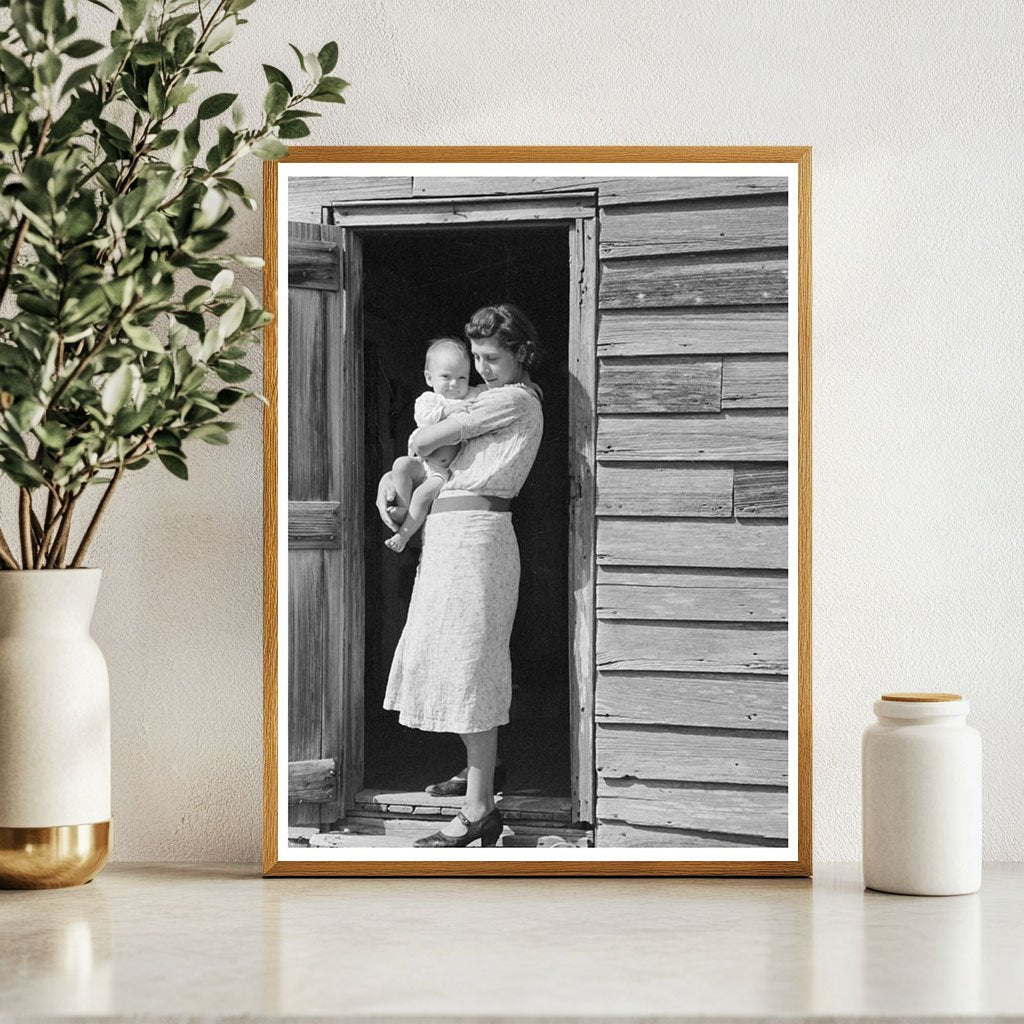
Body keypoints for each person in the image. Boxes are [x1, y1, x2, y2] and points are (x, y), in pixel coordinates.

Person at [377, 303, 544, 848]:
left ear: (522, 354)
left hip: (477, 538)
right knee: (451, 655)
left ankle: (479, 809)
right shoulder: (483, 398)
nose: (482, 368)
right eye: (476, 358)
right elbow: (429, 457)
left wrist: (415, 454)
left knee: (470, 660)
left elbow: (426, 441)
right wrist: (394, 477)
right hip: (449, 536)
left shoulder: (514, 399)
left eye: (492, 357)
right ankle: (481, 774)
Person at [384, 337, 483, 554]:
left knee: (422, 496)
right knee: (400, 464)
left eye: (462, 377)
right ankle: (402, 507)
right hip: (421, 463)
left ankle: (404, 535)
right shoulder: (429, 400)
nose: (455, 384)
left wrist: (522, 383)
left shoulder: (471, 395)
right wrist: (448, 411)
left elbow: (494, 392)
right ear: (429, 378)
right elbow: (424, 418)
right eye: (446, 377)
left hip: (441, 472)